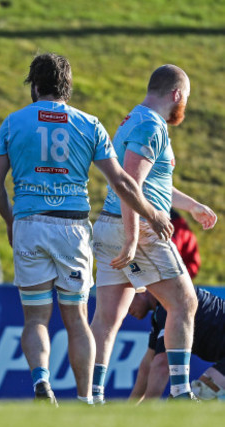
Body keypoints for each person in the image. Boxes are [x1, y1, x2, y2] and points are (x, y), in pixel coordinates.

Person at [0, 53, 173, 405]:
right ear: (67, 88)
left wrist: (11, 221)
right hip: (72, 228)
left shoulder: (13, 123)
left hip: (30, 224)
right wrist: (151, 212)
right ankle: (87, 398)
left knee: (36, 317)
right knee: (76, 318)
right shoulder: (89, 124)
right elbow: (121, 181)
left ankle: (41, 381)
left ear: (36, 86)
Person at [90, 65, 217, 403]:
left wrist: (192, 206)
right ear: (176, 94)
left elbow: (152, 183)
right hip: (138, 226)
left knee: (106, 319)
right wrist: (132, 236)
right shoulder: (151, 125)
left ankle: (93, 397)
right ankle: (180, 391)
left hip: (107, 222)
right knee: (185, 301)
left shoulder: (133, 119)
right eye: (185, 98)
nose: (184, 105)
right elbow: (130, 185)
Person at [128, 289, 225, 401]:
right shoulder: (162, 312)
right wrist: (132, 406)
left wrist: (144, 411)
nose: (125, 309)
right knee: (198, 396)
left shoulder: (171, 304)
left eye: (126, 299)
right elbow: (147, 365)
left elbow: (161, 364)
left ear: (142, 291)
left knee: (201, 393)